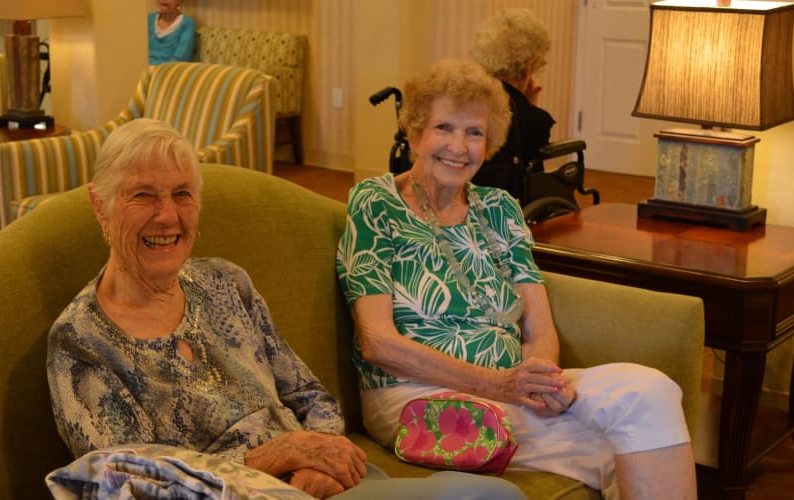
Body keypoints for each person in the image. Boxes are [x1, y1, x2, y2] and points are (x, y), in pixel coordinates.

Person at [46, 118, 525, 500]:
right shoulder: (82, 341)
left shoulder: (224, 283)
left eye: (182, 194)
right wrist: (277, 458)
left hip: (324, 483)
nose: (167, 215)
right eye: (143, 195)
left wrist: (316, 459)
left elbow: (313, 399)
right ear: (101, 206)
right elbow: (133, 484)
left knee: (487, 494)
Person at [335, 59, 698, 500]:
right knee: (629, 445)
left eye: (475, 133)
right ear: (413, 133)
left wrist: (539, 377)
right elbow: (377, 343)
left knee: (653, 392)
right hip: (416, 395)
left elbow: (538, 326)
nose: (459, 146)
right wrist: (498, 385)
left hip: (511, 390)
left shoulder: (500, 208)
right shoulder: (376, 202)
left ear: (489, 144)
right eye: (444, 127)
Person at [468, 7, 556, 200]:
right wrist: (530, 106)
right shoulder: (531, 119)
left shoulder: (466, 98)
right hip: (502, 206)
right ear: (529, 66)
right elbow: (532, 162)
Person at [148, 0, 196, 65]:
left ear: (179, 1)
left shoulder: (187, 24)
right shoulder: (148, 19)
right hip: (141, 70)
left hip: (168, 71)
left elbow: (180, 59)